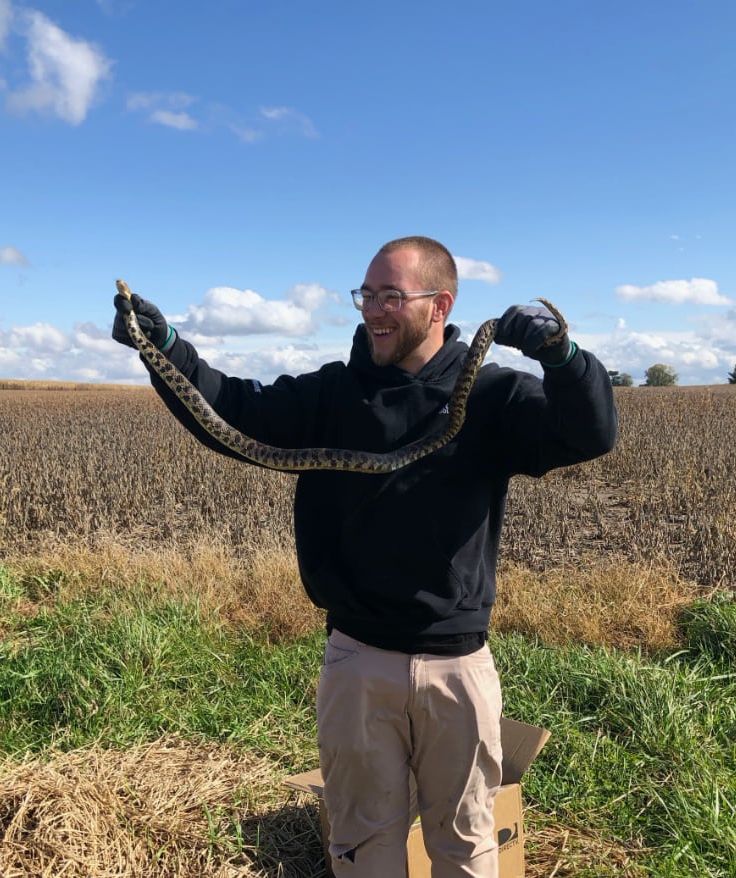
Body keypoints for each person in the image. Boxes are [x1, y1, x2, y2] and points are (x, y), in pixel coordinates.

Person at [112, 235, 618, 877]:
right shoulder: (331, 396)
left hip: (456, 666)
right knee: (360, 850)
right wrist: (164, 348)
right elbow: (233, 411)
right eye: (366, 294)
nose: (372, 309)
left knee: (467, 848)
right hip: (356, 661)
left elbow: (591, 433)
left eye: (391, 296)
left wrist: (562, 355)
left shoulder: (493, 397)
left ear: (440, 305)